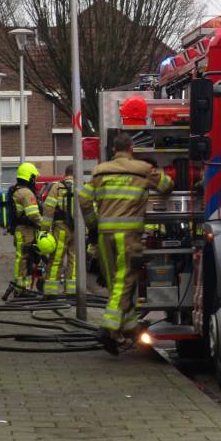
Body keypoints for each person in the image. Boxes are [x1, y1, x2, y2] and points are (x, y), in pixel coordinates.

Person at [78, 133, 174, 355]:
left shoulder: (99, 171)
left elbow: (83, 199)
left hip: (104, 236)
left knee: (117, 284)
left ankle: (130, 328)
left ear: (114, 150)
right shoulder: (142, 169)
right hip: (128, 235)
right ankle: (109, 328)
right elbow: (167, 185)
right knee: (124, 280)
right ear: (131, 149)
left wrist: (93, 225)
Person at [41, 164, 76, 298]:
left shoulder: (57, 187)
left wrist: (44, 230)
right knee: (74, 259)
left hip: (61, 228)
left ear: (65, 174)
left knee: (56, 259)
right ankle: (72, 291)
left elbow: (48, 209)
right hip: (77, 230)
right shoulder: (82, 187)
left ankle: (51, 291)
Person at [11, 162, 43, 291]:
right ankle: (21, 288)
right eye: (34, 177)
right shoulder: (26, 193)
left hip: (21, 230)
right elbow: (33, 215)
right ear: (29, 177)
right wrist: (45, 225)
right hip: (26, 231)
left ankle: (23, 287)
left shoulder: (17, 190)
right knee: (25, 259)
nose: (35, 180)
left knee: (24, 258)